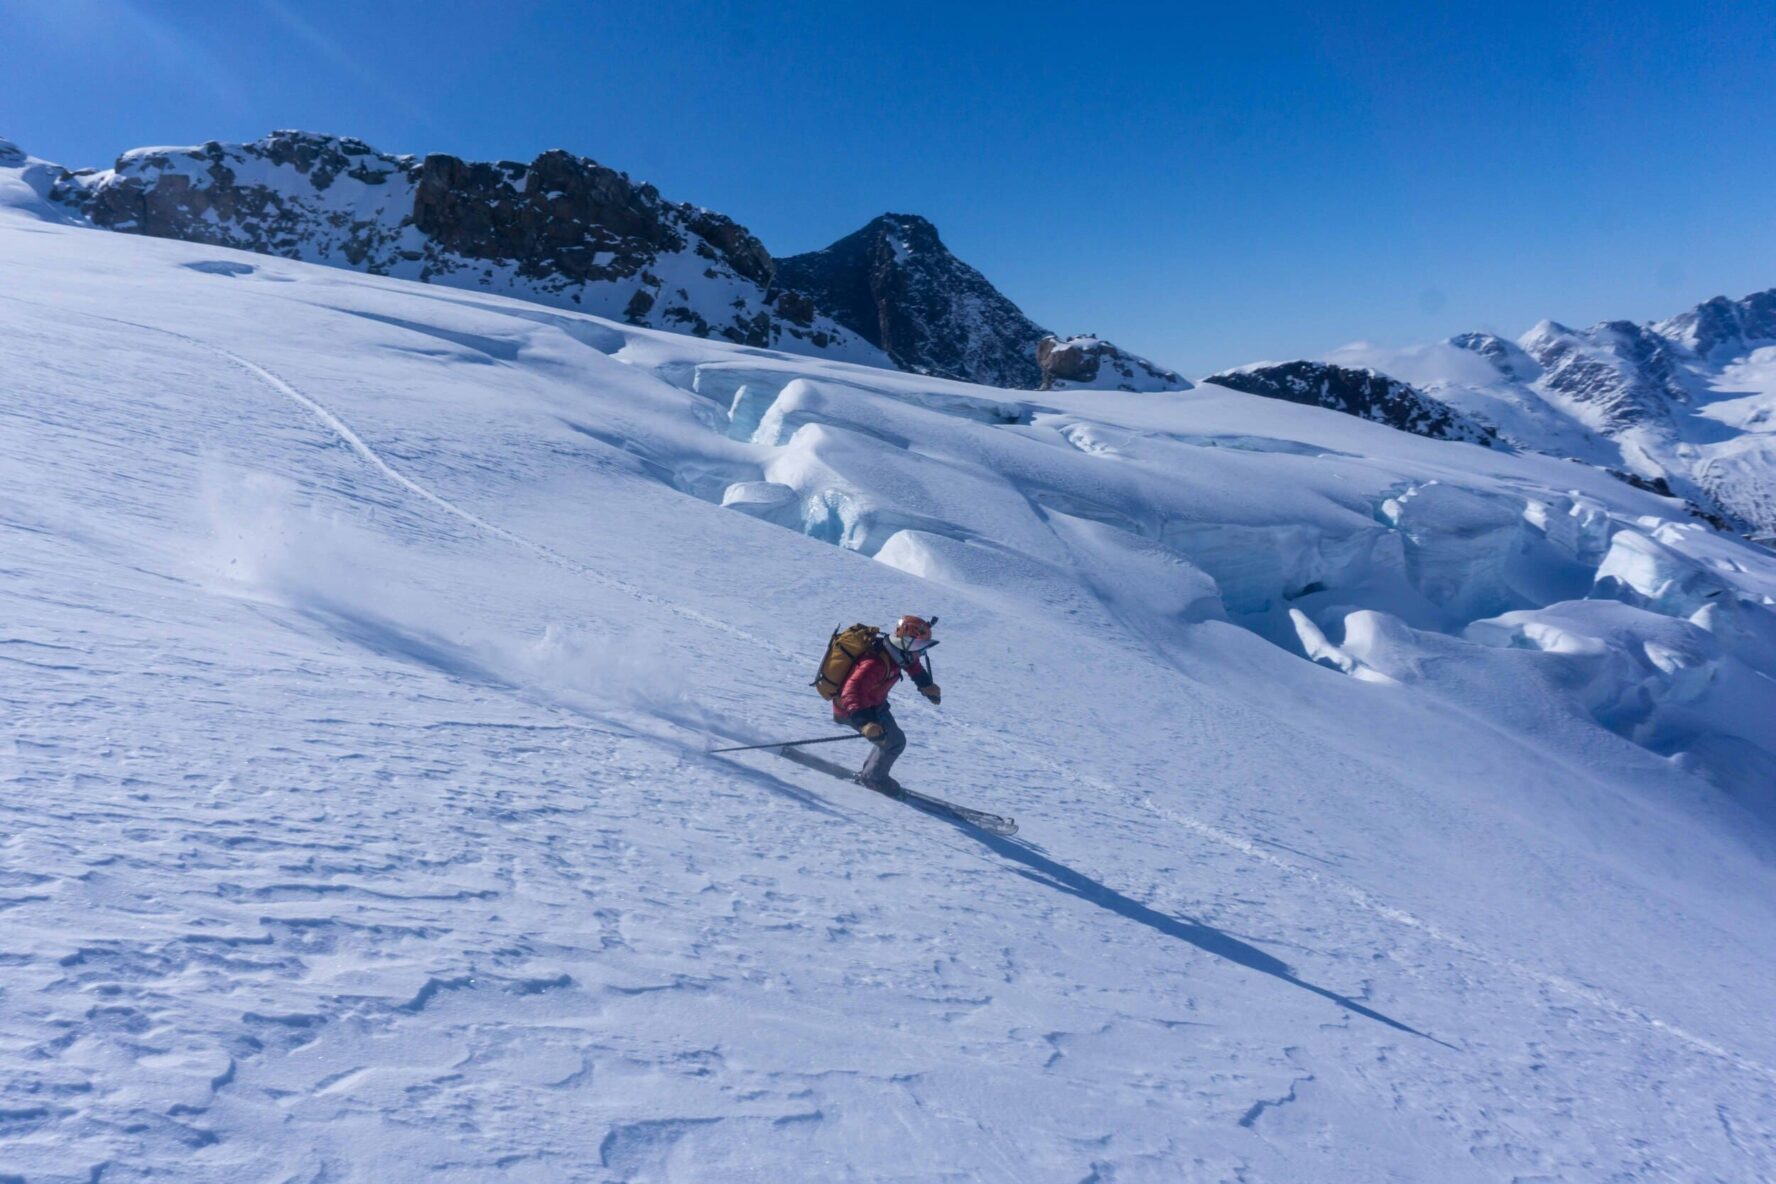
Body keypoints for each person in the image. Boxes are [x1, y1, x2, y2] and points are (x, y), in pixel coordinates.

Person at [833, 615, 941, 792]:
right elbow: (851, 691)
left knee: (892, 740)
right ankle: (873, 778)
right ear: (906, 642)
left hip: (875, 705)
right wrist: (865, 723)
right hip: (853, 710)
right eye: (919, 649)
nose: (919, 654)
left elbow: (913, 666)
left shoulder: (899, 653)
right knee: (894, 742)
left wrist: (926, 685)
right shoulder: (875, 663)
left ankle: (870, 773)